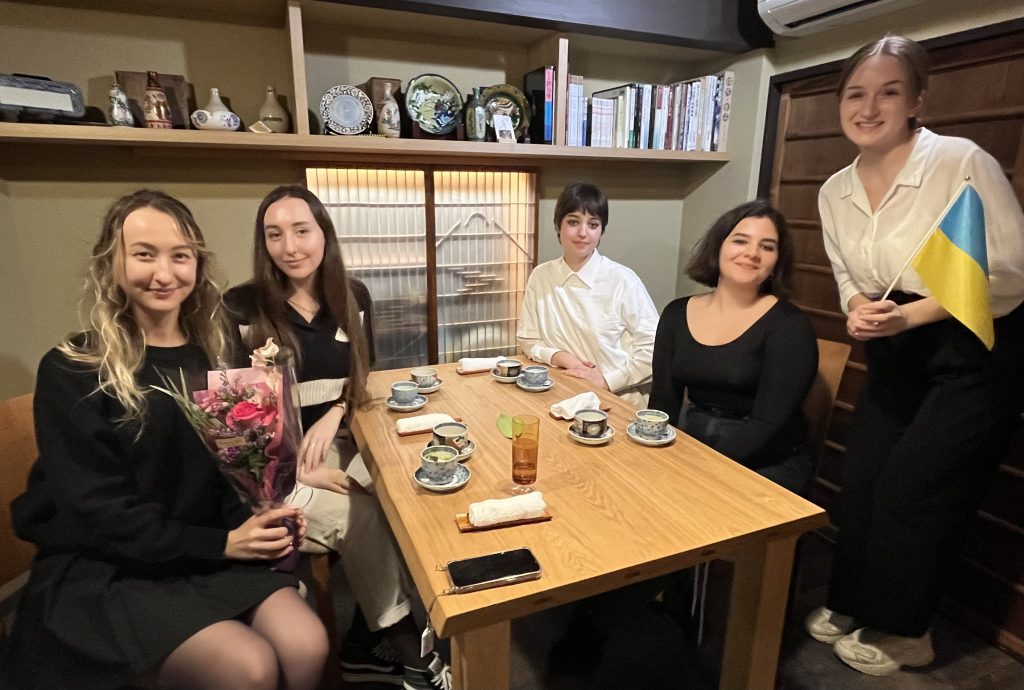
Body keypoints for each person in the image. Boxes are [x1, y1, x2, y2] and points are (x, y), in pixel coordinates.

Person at [0, 190, 328, 689]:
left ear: (197, 264)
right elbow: (97, 512)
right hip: (111, 565)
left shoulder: (214, 358)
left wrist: (260, 514)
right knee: (249, 667)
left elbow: (223, 475)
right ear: (112, 262)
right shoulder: (75, 368)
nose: (164, 273)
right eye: (144, 254)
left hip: (205, 551)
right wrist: (224, 543)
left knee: (307, 643)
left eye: (180, 256)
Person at [805, 35, 1024, 676]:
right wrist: (856, 308)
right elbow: (846, 272)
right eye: (855, 94)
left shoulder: (959, 161)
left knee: (917, 488)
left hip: (972, 343)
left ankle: (907, 631)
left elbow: (1008, 274)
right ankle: (855, 601)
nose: (869, 108)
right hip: (895, 344)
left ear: (917, 101)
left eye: (889, 92)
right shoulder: (834, 189)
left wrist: (909, 315)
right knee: (864, 478)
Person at [224, 184, 451, 690]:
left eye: (302, 231)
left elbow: (362, 372)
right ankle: (411, 653)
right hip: (273, 467)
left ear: (324, 233)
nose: (290, 247)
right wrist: (297, 471)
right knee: (362, 515)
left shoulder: (353, 294)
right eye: (275, 235)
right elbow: (234, 424)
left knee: (402, 490)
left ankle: (360, 646)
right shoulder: (241, 307)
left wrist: (335, 412)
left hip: (341, 437)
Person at [649, 200, 818, 495]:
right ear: (718, 246)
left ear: (777, 261)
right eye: (741, 241)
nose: (752, 253)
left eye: (767, 246)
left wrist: (697, 470)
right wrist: (654, 456)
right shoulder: (676, 313)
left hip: (766, 462)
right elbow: (664, 401)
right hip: (694, 444)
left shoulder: (790, 325)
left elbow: (767, 424)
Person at [516, 182, 659, 407]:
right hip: (559, 394)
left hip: (617, 401)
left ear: (601, 231)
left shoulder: (623, 280)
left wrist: (606, 380)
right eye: (573, 222)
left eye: (593, 224)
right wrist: (564, 358)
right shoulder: (541, 276)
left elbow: (654, 349)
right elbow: (528, 339)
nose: (583, 233)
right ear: (558, 225)